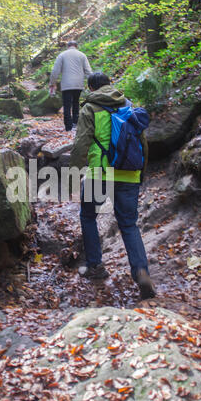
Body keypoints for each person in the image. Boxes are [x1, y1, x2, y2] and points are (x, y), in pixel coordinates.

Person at [69, 71, 156, 300]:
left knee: (88, 216)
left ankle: (96, 266)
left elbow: (81, 144)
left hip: (100, 174)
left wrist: (73, 173)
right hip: (129, 174)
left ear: (91, 88)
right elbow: (142, 142)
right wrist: (141, 173)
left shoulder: (90, 107)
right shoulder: (127, 104)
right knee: (128, 224)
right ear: (110, 84)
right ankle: (141, 272)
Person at [49, 40, 92, 132]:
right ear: (76, 46)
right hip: (78, 84)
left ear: (67, 46)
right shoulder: (82, 55)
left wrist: (52, 83)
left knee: (67, 105)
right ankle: (76, 123)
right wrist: (93, 84)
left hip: (66, 85)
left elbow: (55, 71)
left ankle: (68, 127)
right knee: (76, 103)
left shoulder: (62, 55)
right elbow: (88, 71)